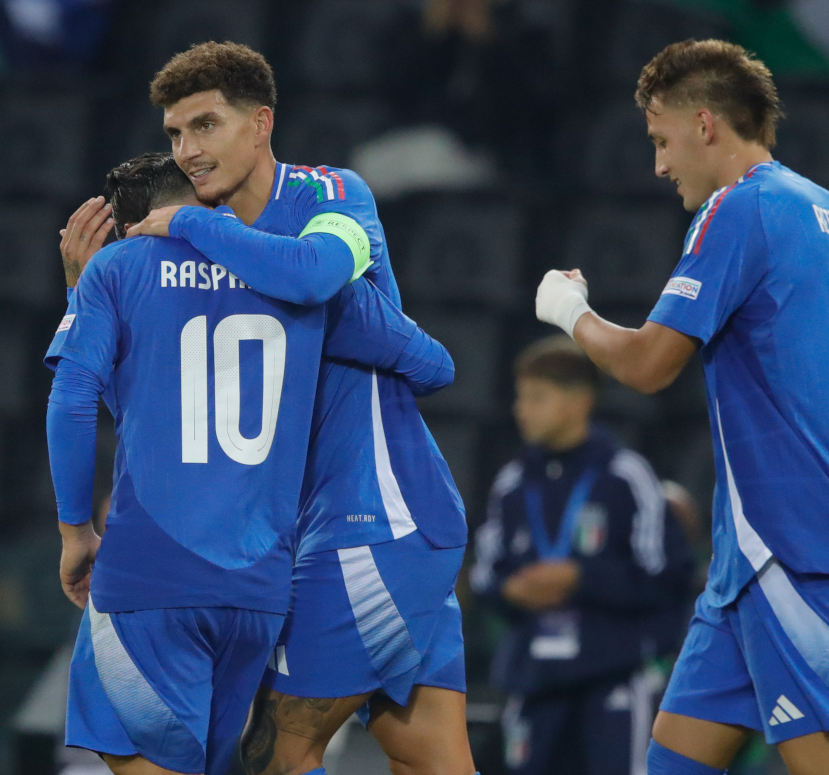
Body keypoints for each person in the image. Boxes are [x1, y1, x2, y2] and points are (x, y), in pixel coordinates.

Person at [115, 42, 474, 775]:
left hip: (373, 519)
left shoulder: (327, 195)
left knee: (281, 751)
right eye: (175, 134)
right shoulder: (199, 260)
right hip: (333, 528)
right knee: (427, 751)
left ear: (260, 123)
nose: (186, 151)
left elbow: (313, 277)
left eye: (206, 126)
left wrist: (191, 225)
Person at [46, 151, 454, 775]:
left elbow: (80, 401)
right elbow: (433, 364)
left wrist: (76, 531)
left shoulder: (117, 271)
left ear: (128, 227)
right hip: (258, 586)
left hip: (152, 571)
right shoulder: (291, 275)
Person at [534, 39, 829, 775]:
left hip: (789, 553)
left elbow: (647, 364)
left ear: (705, 125)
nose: (660, 166)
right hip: (744, 564)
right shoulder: (817, 204)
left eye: (662, 141)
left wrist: (570, 310)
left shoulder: (739, 207)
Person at [471, 335, 694, 775]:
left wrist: (581, 578)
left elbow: (668, 573)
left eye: (537, 397)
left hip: (612, 677)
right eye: (520, 397)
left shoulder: (625, 477)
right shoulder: (512, 484)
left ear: (579, 401)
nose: (522, 409)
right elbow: (482, 578)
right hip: (534, 682)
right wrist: (510, 590)